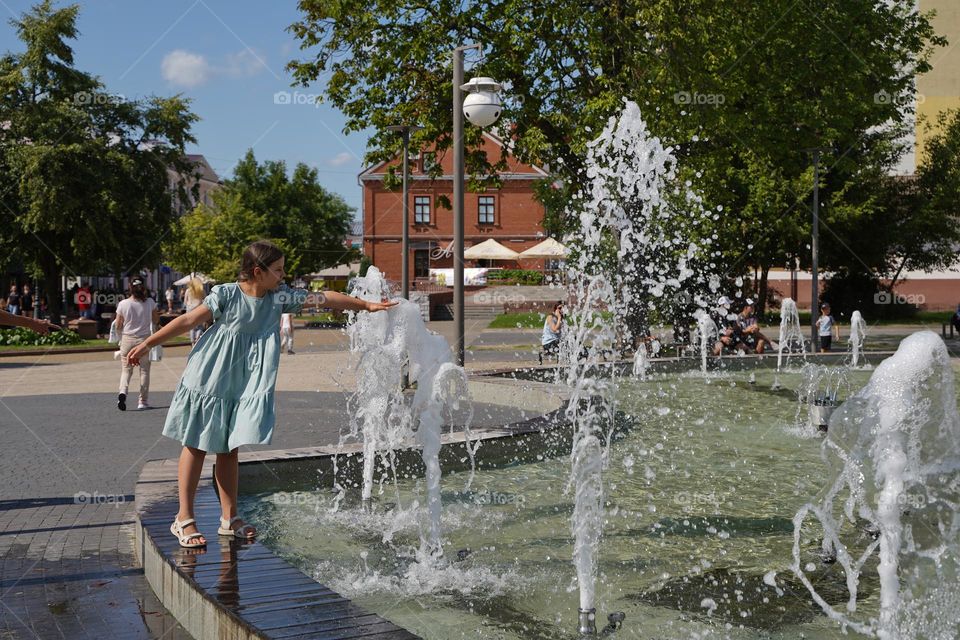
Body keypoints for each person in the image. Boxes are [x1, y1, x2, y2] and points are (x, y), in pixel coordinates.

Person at [125, 240, 396, 549]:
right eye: (278, 270)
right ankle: (183, 517)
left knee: (230, 447)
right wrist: (147, 343)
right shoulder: (227, 294)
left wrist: (366, 305)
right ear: (258, 271)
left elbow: (324, 298)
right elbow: (188, 320)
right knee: (196, 444)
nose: (283, 276)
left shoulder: (278, 298)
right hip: (210, 378)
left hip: (243, 385)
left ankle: (229, 518)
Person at [116, 277, 160, 411]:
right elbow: (156, 320)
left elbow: (118, 325)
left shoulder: (123, 304)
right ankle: (143, 401)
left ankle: (123, 392)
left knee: (126, 369)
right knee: (144, 370)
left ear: (130, 288)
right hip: (144, 340)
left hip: (127, 339)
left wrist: (120, 338)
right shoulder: (150, 303)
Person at [182, 278, 207, 346]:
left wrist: (188, 305)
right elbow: (206, 300)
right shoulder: (202, 290)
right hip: (199, 308)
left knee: (191, 327)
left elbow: (185, 301)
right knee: (200, 326)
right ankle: (197, 339)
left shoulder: (188, 290)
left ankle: (192, 342)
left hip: (190, 309)